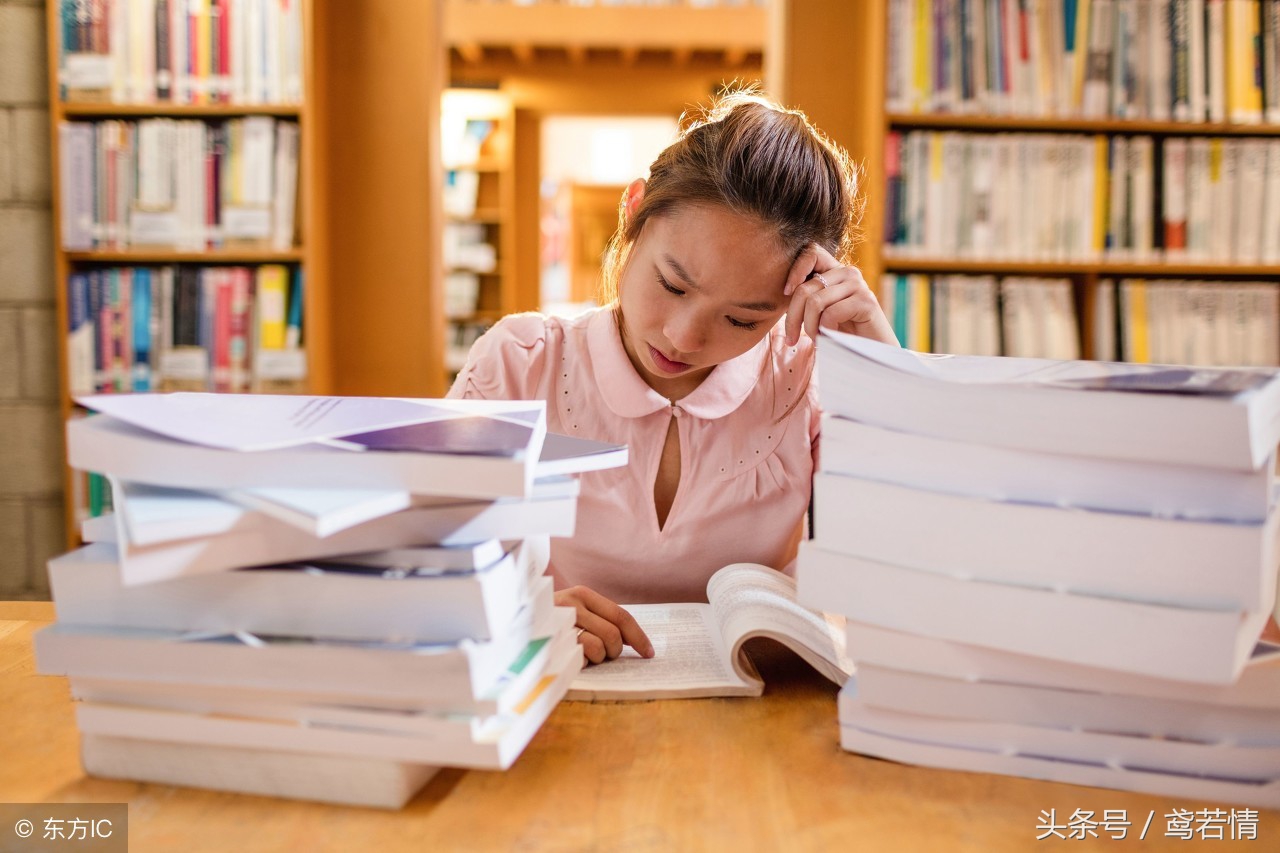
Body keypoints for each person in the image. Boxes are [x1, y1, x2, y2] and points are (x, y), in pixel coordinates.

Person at [448, 89, 899, 664]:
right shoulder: (518, 362)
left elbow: (912, 567)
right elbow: (428, 574)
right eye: (673, 285)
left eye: (742, 318)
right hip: (557, 697)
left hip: (767, 713)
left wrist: (881, 372)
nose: (684, 338)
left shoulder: (807, 379)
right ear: (634, 210)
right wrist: (519, 613)